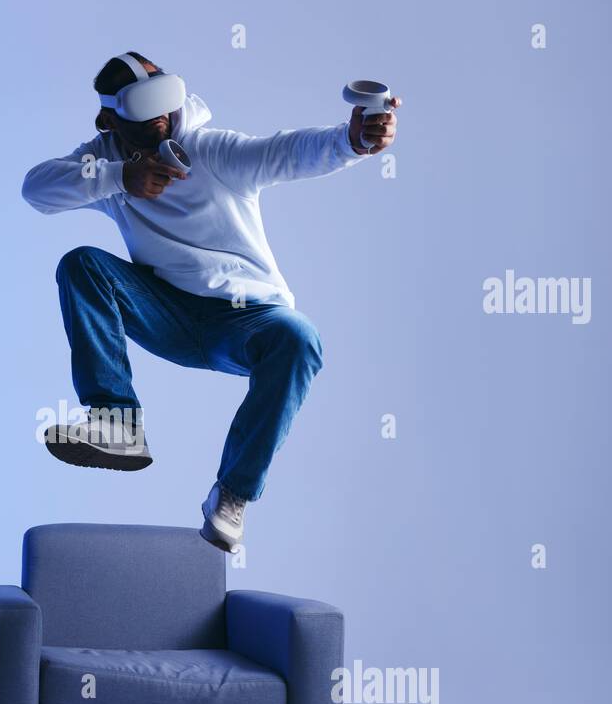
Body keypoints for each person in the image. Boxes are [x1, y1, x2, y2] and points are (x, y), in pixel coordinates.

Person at [23, 52, 399, 551]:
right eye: (143, 111)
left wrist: (352, 140)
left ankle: (231, 496)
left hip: (244, 320)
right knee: (82, 264)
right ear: (108, 120)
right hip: (166, 313)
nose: (161, 120)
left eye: (166, 104)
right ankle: (116, 423)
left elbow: (287, 151)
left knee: (299, 337)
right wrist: (119, 177)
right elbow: (36, 189)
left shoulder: (211, 151)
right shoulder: (105, 164)